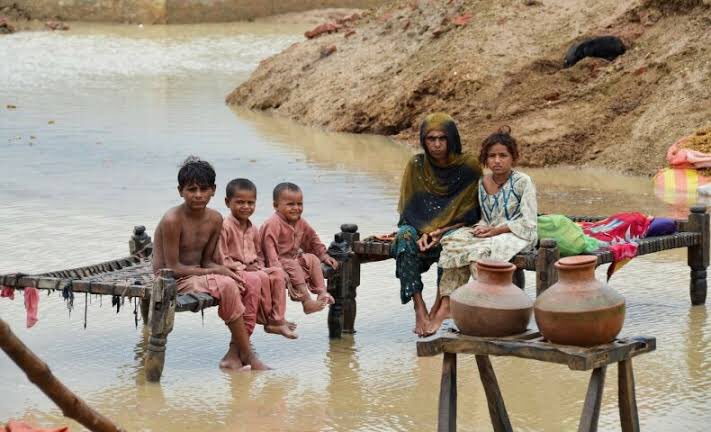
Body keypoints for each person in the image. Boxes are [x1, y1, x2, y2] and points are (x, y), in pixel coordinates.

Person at [152, 156, 269, 371]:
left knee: (248, 281)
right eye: (192, 189)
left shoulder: (215, 219)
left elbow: (206, 260)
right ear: (180, 191)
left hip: (198, 274)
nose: (198, 195)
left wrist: (223, 269)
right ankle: (249, 355)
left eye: (204, 189)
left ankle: (234, 352)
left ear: (214, 190)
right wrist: (218, 273)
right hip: (172, 279)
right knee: (227, 285)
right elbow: (173, 268)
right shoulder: (172, 220)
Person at [434, 126, 538, 332]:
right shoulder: (482, 182)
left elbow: (529, 221)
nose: (497, 160)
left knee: (481, 252)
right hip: (491, 233)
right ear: (485, 159)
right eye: (492, 156)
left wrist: (495, 231)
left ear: (513, 158)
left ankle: (489, 303)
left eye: (503, 155)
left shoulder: (523, 182)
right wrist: (482, 228)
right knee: (452, 241)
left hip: (517, 233)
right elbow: (485, 217)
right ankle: (449, 303)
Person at [392, 113, 482, 337]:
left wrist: (440, 231)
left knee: (454, 242)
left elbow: (472, 214)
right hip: (419, 228)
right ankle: (419, 307)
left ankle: (440, 305)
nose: (437, 144)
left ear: (452, 139)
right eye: (431, 139)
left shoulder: (469, 166)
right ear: (423, 141)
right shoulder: (416, 165)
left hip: (454, 228)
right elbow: (408, 212)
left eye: (442, 138)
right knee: (403, 237)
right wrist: (423, 232)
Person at [216, 178, 298, 340]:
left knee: (277, 273)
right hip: (234, 272)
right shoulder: (224, 227)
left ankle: (276, 319)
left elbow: (259, 255)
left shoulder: (253, 228)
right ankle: (265, 318)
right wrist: (244, 268)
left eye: (250, 203)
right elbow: (221, 258)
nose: (246, 207)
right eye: (240, 202)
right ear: (227, 202)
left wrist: (260, 266)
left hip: (253, 268)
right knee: (259, 277)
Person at [259, 182, 339, 314]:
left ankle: (322, 292)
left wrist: (324, 256)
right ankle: (306, 301)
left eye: (299, 204)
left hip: (293, 259)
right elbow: (269, 251)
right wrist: (278, 270)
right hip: (274, 263)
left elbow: (312, 239)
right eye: (290, 204)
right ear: (276, 206)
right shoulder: (272, 224)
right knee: (292, 264)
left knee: (313, 259)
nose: (296, 208)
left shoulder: (300, 222)